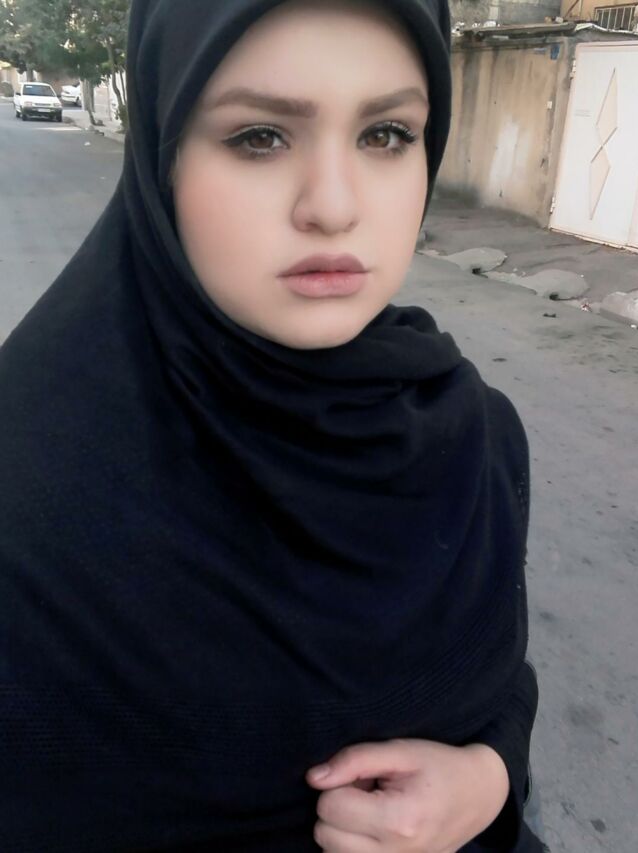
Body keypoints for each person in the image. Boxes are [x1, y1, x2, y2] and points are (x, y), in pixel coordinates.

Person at [0, 1, 544, 851]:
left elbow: (499, 682)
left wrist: (491, 776)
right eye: (260, 136)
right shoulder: (28, 492)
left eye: (387, 135)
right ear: (164, 152)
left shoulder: (471, 433)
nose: (333, 206)